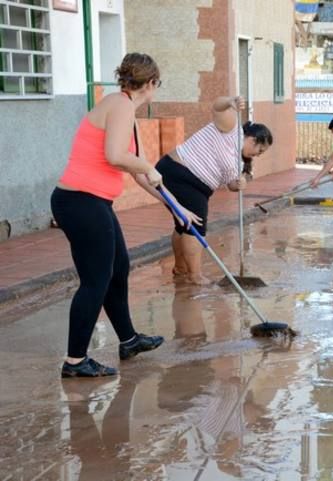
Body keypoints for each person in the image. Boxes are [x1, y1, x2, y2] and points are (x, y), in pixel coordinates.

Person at [51, 53, 197, 378]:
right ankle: (75, 361)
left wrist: (176, 206)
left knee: (119, 268)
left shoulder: (125, 110)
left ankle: (129, 340)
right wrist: (145, 166)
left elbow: (141, 173)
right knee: (95, 281)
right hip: (80, 201)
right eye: (157, 85)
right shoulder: (120, 106)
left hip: (92, 202)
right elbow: (116, 156)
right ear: (151, 83)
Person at [156, 99, 273, 285]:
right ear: (252, 138)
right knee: (196, 226)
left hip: (193, 184)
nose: (258, 155)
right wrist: (230, 101)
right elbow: (217, 107)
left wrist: (240, 183)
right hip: (180, 173)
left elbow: (230, 186)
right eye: (260, 150)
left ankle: (180, 269)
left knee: (184, 225)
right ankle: (195, 276)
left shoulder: (240, 163)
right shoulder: (232, 130)